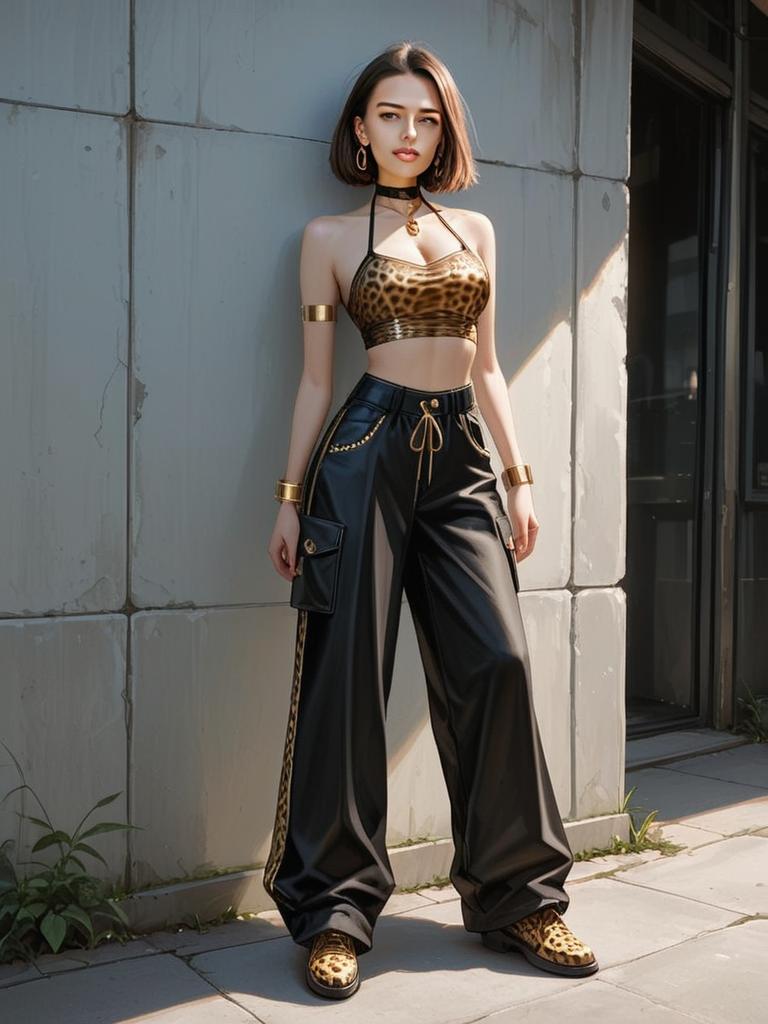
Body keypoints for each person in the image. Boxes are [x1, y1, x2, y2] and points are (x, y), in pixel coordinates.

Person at [264, 41, 598, 1000]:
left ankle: (521, 898)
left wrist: (521, 479)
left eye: (427, 118)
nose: (409, 134)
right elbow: (315, 382)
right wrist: (290, 501)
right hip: (363, 452)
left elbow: (488, 365)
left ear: (443, 130)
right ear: (360, 129)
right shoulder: (327, 237)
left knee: (496, 660)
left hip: (461, 461)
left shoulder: (477, 231)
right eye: (390, 116)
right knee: (346, 680)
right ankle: (334, 914)